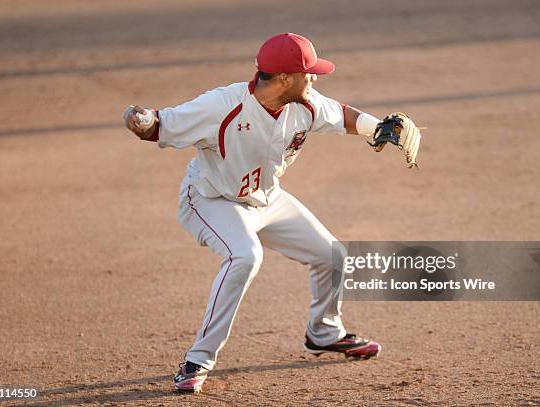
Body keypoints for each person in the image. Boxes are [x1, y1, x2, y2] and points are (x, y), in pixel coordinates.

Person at [123, 32, 420, 393]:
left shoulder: (303, 102)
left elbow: (341, 114)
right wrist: (139, 120)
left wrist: (378, 127)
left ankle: (324, 333)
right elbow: (160, 125)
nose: (315, 78)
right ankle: (198, 359)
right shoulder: (222, 105)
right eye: (308, 72)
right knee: (244, 256)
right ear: (284, 78)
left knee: (332, 254)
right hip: (212, 200)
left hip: (266, 199)